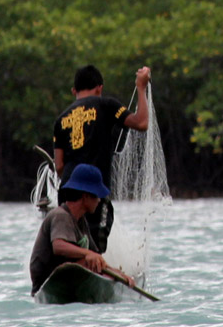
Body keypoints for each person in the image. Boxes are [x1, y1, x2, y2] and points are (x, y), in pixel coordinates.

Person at [50, 64, 151, 248]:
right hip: (93, 192)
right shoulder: (106, 105)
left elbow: (59, 166)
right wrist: (141, 87)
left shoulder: (61, 120)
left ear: (74, 91)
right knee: (94, 248)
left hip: (67, 190)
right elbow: (142, 123)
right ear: (99, 88)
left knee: (71, 243)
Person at [27, 162, 123, 295]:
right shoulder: (60, 215)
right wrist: (87, 254)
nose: (99, 201)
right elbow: (58, 246)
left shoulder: (81, 220)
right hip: (47, 282)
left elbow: (94, 256)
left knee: (92, 262)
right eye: (96, 196)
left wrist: (117, 274)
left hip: (70, 278)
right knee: (87, 260)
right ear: (85, 196)